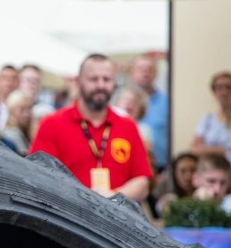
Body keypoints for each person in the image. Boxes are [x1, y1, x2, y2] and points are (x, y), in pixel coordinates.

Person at [29, 53, 153, 201]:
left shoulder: (128, 125)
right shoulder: (52, 124)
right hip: (68, 218)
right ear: (79, 81)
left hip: (117, 220)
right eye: (93, 79)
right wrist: (86, 201)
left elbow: (142, 181)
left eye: (106, 79)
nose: (100, 85)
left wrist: (113, 198)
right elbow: (39, 177)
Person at [190, 153, 231, 229]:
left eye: (223, 183)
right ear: (195, 179)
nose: (217, 189)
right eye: (211, 181)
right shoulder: (187, 206)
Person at [130, 55, 169, 171]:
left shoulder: (166, 102)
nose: (145, 73)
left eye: (149, 69)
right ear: (132, 72)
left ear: (155, 74)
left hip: (160, 167)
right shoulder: (122, 101)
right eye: (140, 69)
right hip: (129, 166)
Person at [190, 71, 231, 157]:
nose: (224, 92)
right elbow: (194, 148)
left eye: (229, 87)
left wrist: (208, 149)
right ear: (214, 91)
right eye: (219, 88)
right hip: (213, 167)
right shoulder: (207, 119)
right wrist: (224, 151)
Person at [155, 152, 198, 217]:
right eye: (182, 171)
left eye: (193, 170)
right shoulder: (167, 200)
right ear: (174, 174)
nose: (188, 176)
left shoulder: (208, 197)